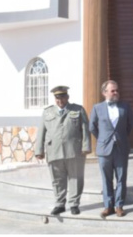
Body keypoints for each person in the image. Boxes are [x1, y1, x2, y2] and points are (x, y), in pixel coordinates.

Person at [35, 86, 91, 216]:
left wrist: (86, 146)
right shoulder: (47, 112)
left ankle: (74, 204)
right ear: (55, 99)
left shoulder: (78, 109)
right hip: (54, 150)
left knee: (75, 177)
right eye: (57, 97)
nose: (60, 100)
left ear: (68, 97)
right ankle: (60, 204)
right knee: (57, 179)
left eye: (62, 97)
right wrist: (39, 150)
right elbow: (41, 132)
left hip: (74, 150)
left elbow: (85, 129)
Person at [89, 80, 133, 218]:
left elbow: (129, 126)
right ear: (104, 93)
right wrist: (103, 138)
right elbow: (92, 127)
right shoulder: (97, 108)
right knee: (106, 178)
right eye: (113, 90)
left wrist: (120, 138)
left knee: (121, 178)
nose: (116, 93)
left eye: (117, 90)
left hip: (121, 148)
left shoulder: (125, 107)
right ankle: (108, 206)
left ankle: (119, 206)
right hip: (104, 149)